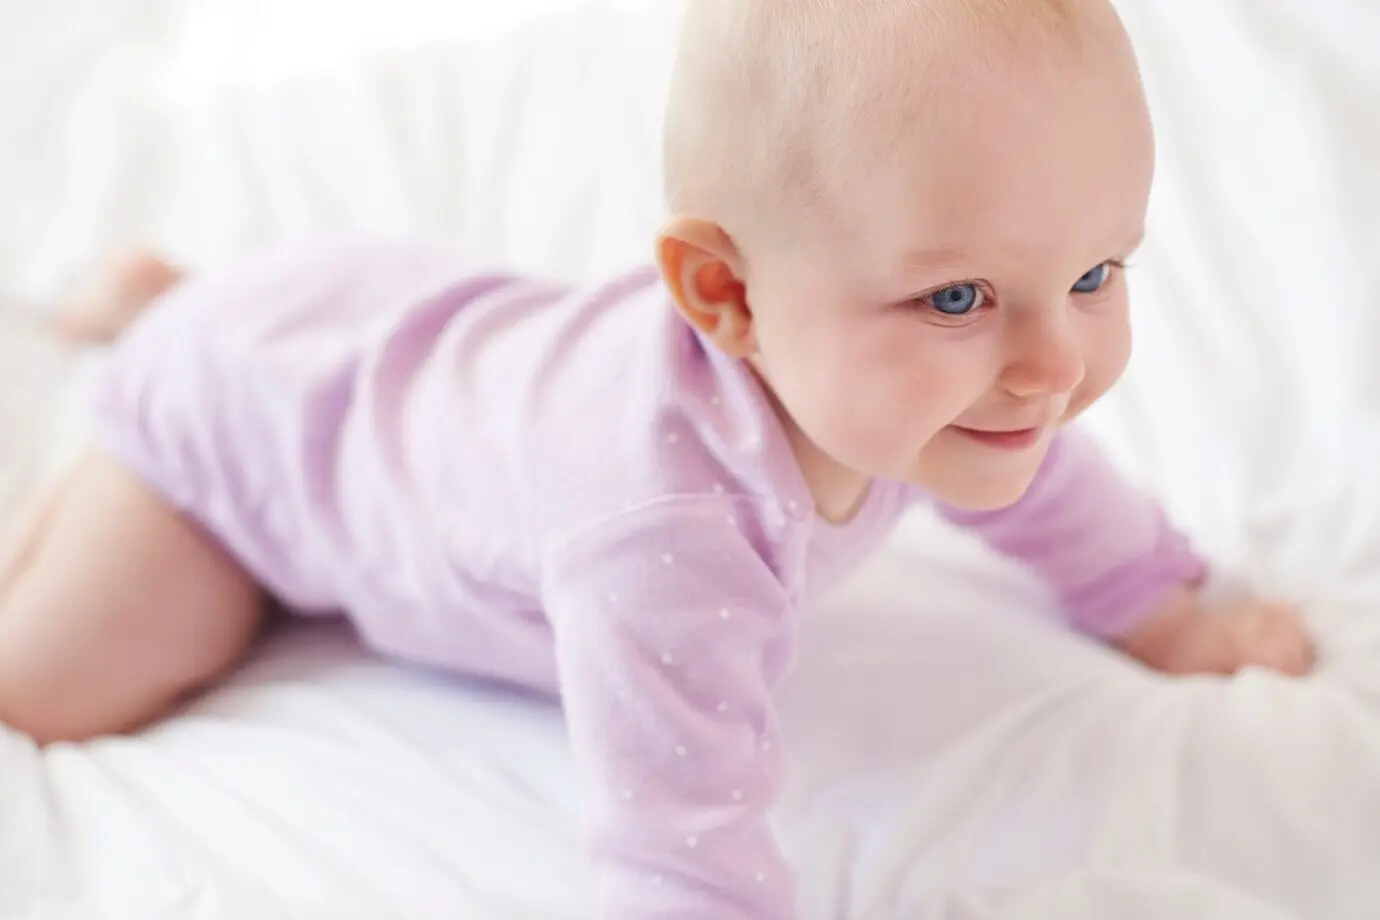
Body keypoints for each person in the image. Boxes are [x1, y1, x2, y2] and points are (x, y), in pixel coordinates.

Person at [2, 0, 1314, 917]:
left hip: (363, 320)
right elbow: (681, 841)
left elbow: (1041, 481)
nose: (1054, 365)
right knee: (47, 687)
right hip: (255, 439)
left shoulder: (913, 383)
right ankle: (158, 334)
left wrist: (1160, 609)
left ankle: (175, 295)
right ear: (723, 293)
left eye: (1096, 273)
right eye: (960, 296)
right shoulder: (666, 541)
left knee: (395, 355)